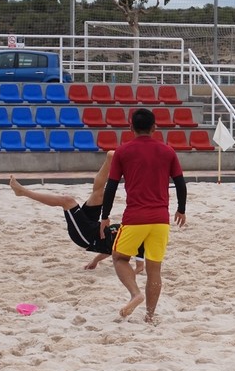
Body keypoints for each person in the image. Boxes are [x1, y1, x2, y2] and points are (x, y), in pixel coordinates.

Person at [100, 108, 187, 323]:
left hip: (135, 218)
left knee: (119, 258)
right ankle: (150, 315)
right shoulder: (168, 151)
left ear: (131, 128)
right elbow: (180, 184)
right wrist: (181, 209)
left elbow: (110, 187)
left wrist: (105, 216)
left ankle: (135, 294)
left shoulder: (122, 151)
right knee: (154, 268)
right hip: (160, 220)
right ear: (154, 128)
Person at [9, 151, 144, 271]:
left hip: (87, 237)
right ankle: (109, 160)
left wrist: (99, 260)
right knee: (98, 195)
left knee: (67, 201)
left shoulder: (139, 246)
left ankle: (23, 192)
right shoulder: (134, 227)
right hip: (96, 226)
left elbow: (117, 254)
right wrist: (95, 261)